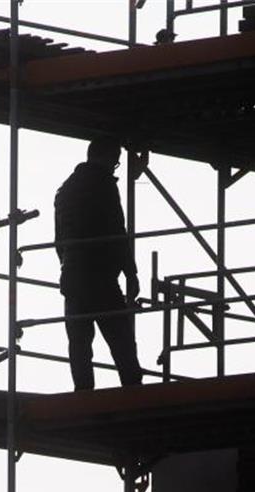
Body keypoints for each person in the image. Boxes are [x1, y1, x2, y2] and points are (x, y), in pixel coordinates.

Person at [54, 137, 146, 391]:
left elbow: (58, 241)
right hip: (101, 276)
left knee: (79, 342)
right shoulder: (103, 184)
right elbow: (117, 230)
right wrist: (131, 272)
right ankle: (133, 387)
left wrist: (68, 267)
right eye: (115, 162)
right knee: (121, 337)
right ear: (108, 157)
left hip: (72, 275)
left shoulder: (64, 191)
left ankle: (83, 391)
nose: (115, 167)